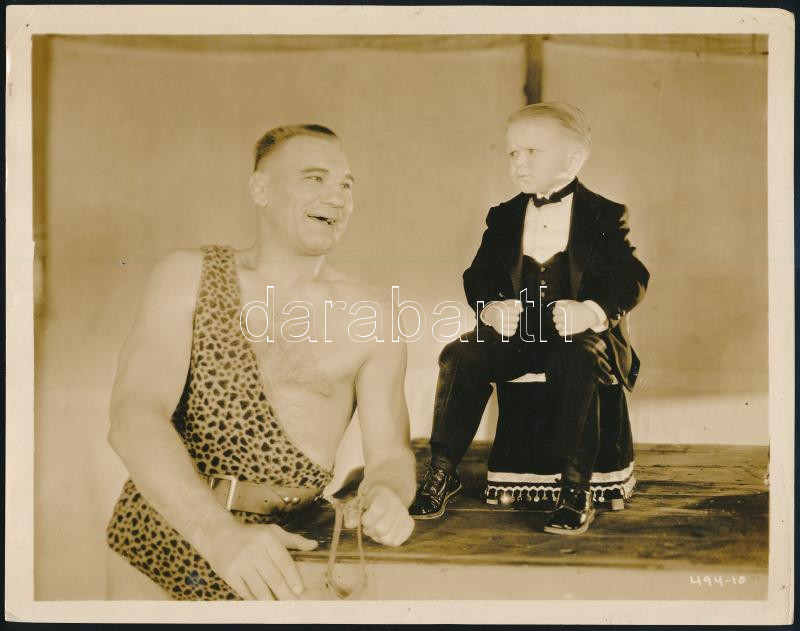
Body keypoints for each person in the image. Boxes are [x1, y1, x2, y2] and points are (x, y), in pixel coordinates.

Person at [105, 124, 416, 600]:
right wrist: (220, 536)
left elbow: (390, 454)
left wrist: (389, 493)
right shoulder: (186, 275)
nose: (336, 197)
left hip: (285, 553)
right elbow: (133, 416)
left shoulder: (372, 315)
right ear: (261, 188)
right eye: (315, 178)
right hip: (159, 534)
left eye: (346, 185)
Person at [409, 102, 649, 535]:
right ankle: (442, 469)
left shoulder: (604, 214)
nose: (518, 162)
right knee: (461, 354)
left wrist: (590, 311)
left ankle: (575, 488)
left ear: (573, 158)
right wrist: (491, 307)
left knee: (580, 356)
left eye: (532, 152)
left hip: (577, 339)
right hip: (520, 338)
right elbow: (478, 275)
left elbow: (631, 277)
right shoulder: (504, 216)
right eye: (513, 153)